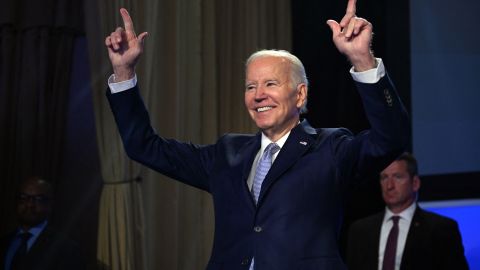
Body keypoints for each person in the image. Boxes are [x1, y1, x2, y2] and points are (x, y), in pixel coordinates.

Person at [104, 0, 409, 269]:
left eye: (270, 84)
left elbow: (391, 138)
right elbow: (144, 147)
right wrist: (123, 73)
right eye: (251, 87)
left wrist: (362, 61)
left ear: (300, 96)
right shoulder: (227, 153)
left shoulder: (330, 148)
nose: (258, 95)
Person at [346, 152, 469, 270]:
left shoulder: (441, 229)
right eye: (384, 177)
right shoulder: (360, 230)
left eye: (397, 177)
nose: (389, 186)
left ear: (415, 183)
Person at [0, 177, 85, 270]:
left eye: (38, 199)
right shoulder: (5, 242)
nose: (30, 204)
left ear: (50, 204)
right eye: (23, 198)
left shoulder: (67, 249)